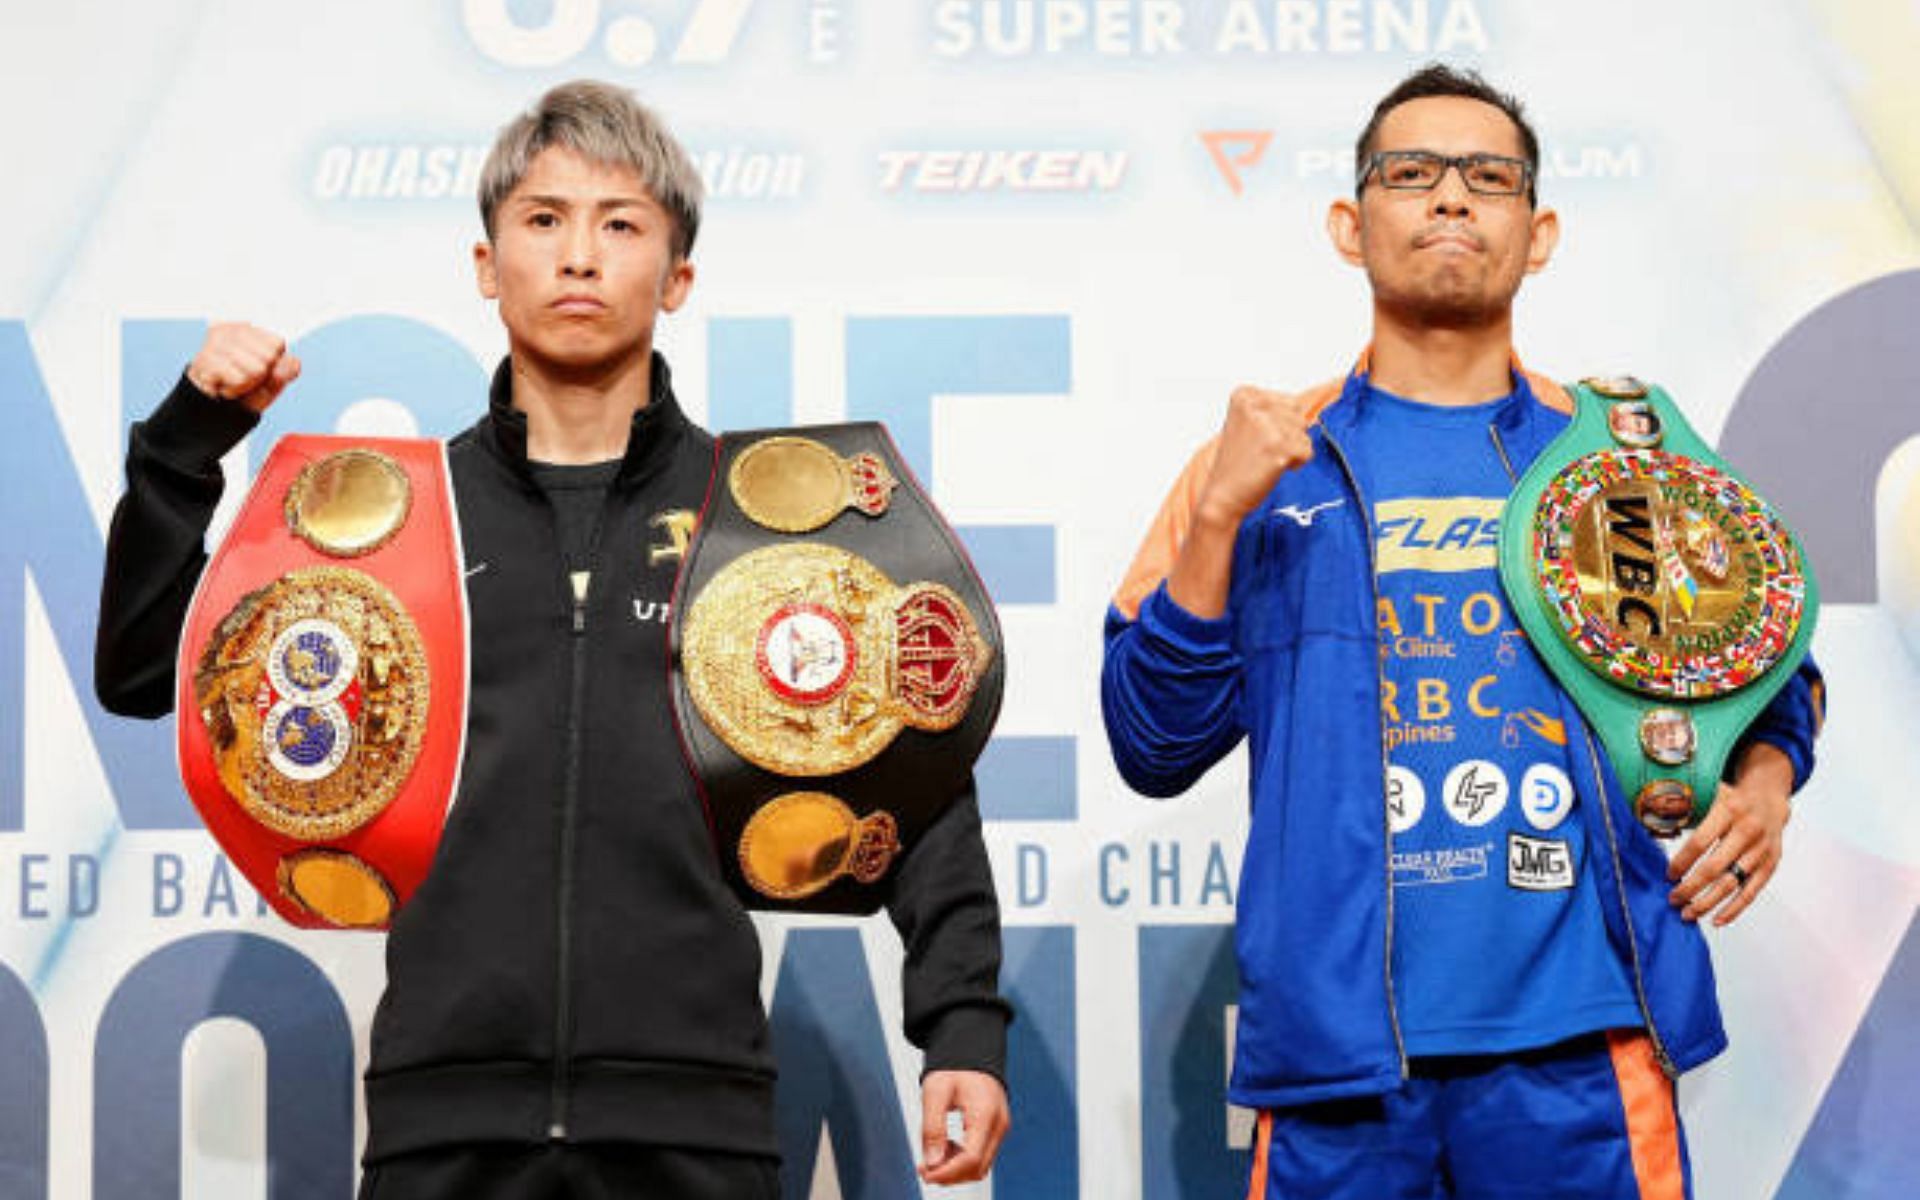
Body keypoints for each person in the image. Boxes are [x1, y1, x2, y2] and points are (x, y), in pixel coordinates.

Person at [95, 80, 1011, 1198]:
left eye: (620, 224)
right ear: (487, 265)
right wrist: (183, 448)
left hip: (698, 1124)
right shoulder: (393, 523)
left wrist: (961, 1027)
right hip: (445, 1125)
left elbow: (913, 770)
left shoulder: (766, 528)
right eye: (543, 220)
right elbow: (148, 674)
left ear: (677, 277)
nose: (579, 255)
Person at [1101, 64, 1823, 1198]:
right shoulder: (1257, 465)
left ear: (1537, 235)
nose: (1450, 199)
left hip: (1585, 1045)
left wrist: (1769, 783)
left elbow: (1776, 674)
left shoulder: (1622, 464)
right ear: (1351, 224)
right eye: (1412, 173)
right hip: (1339, 1073)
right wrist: (1216, 519)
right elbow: (1152, 743)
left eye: (1487, 178)